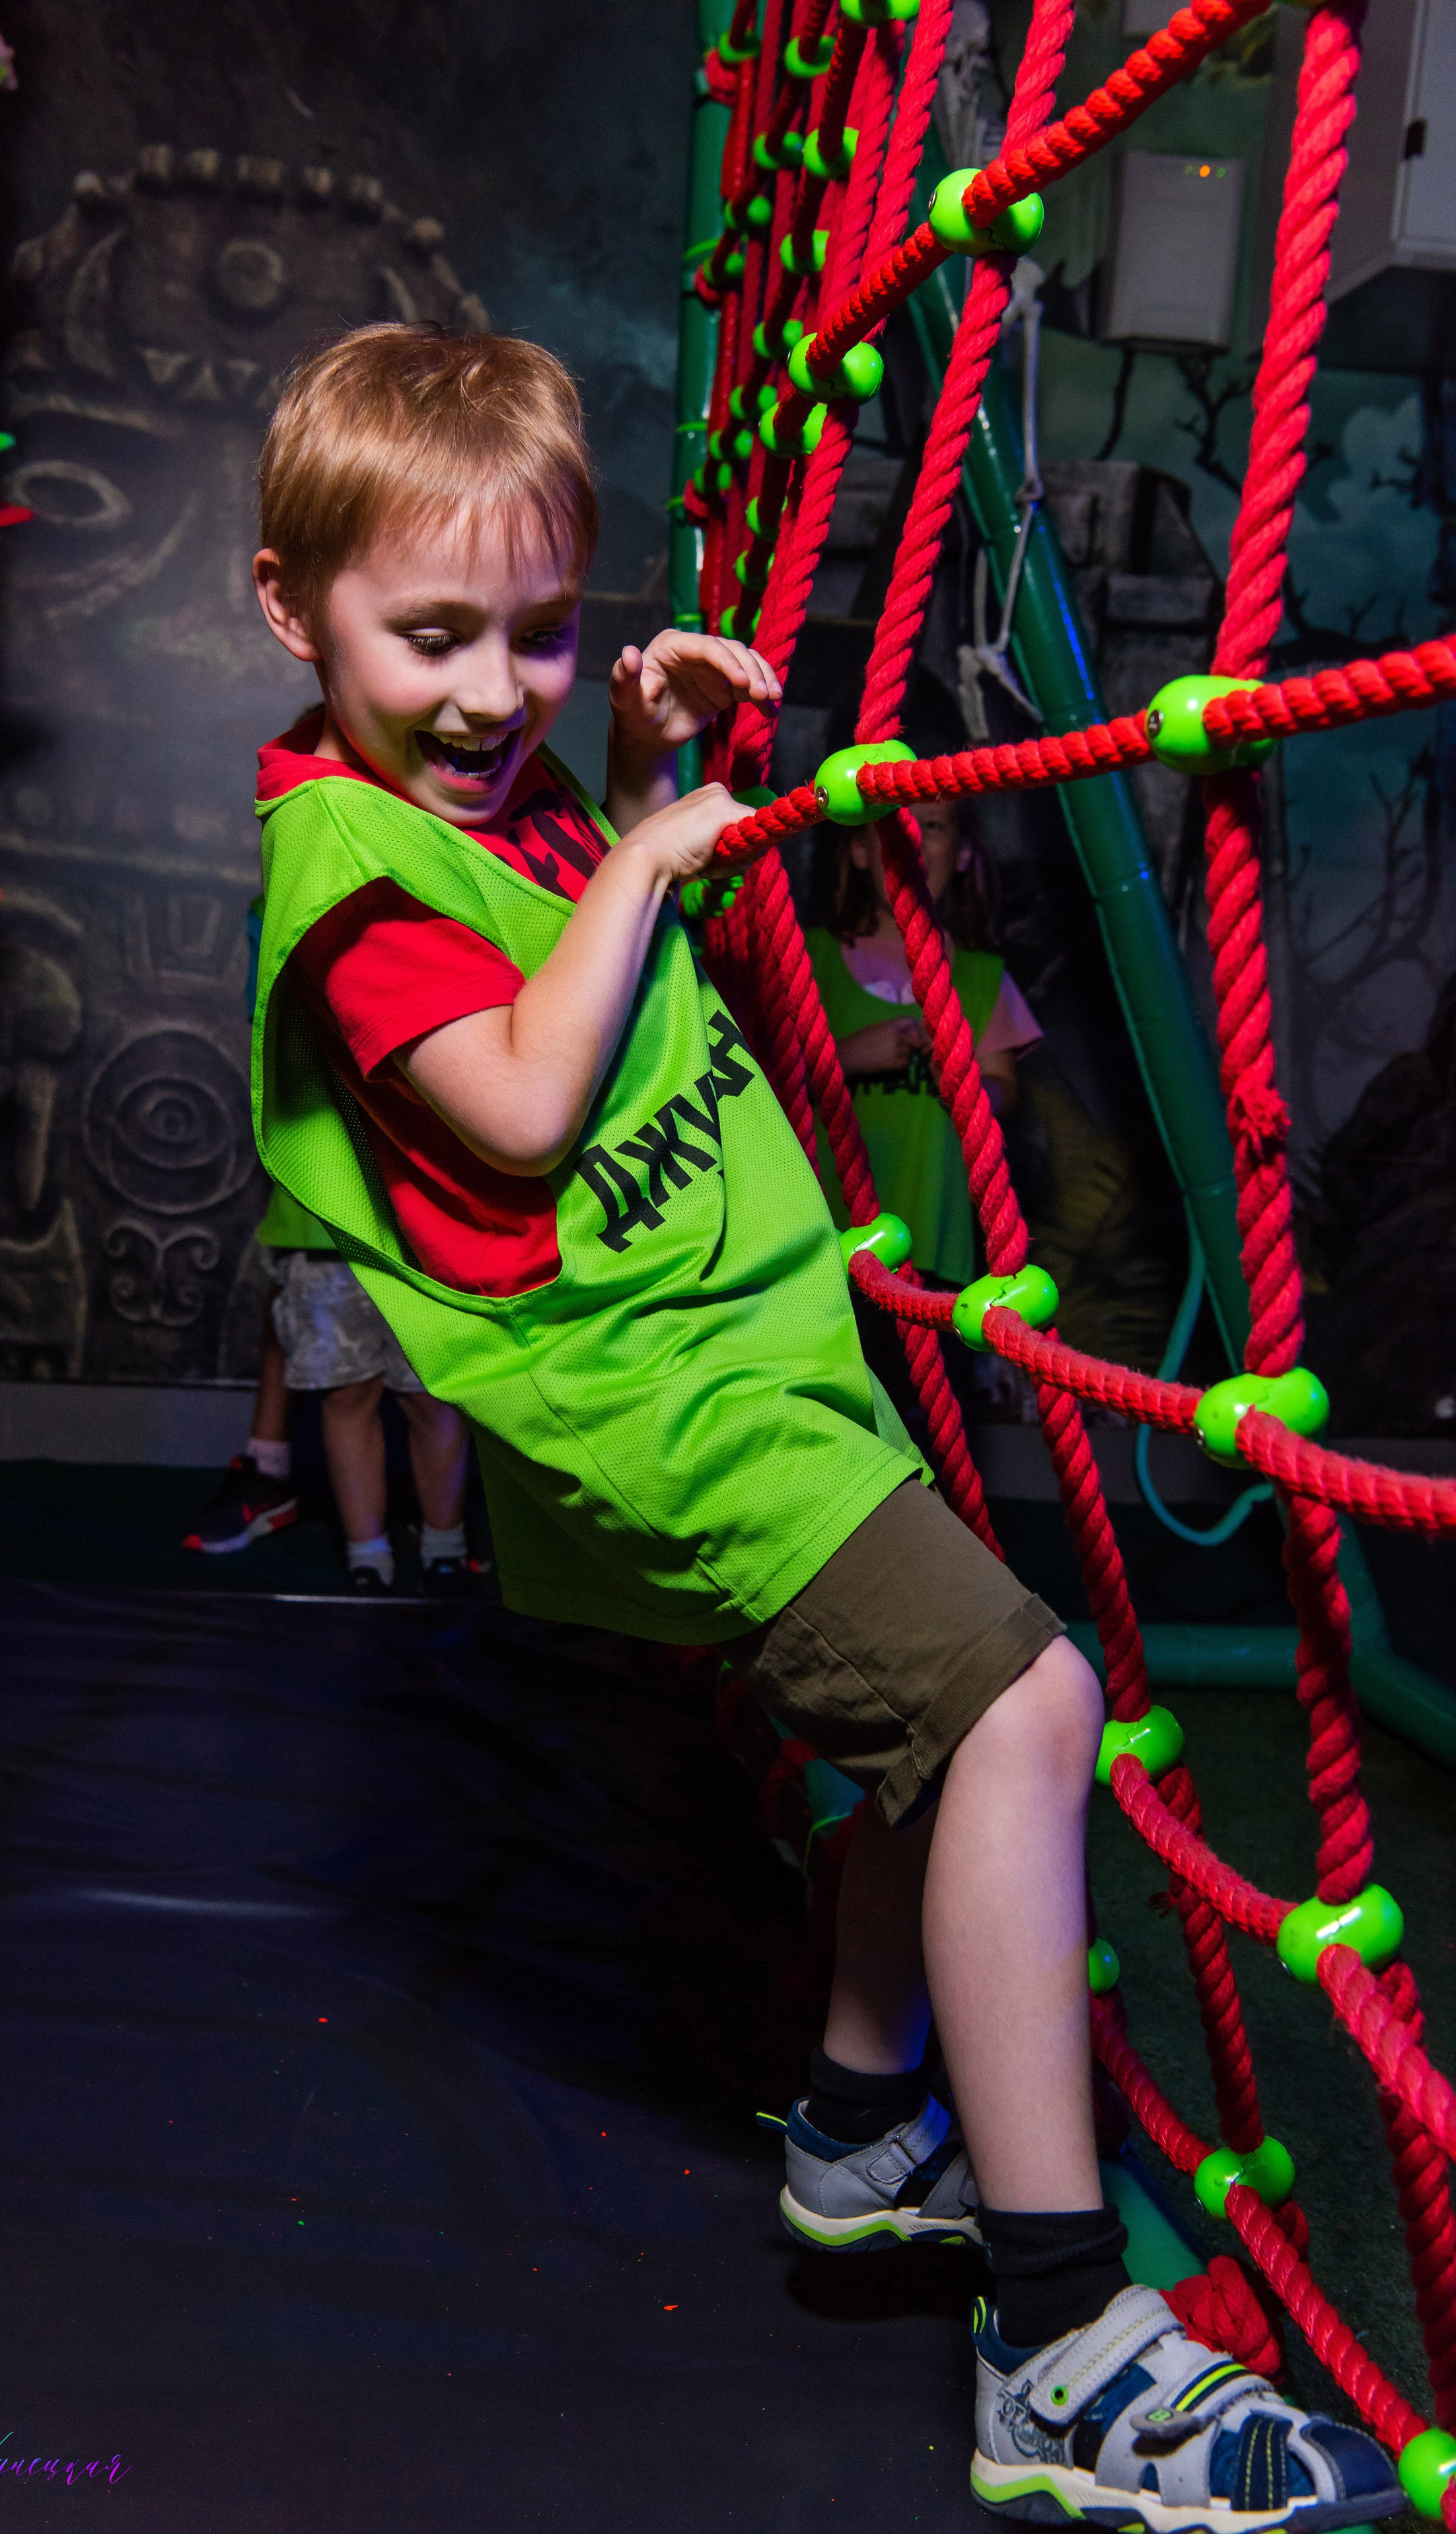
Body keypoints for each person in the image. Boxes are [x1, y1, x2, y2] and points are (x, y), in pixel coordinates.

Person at [242, 323, 1398, 2530]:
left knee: (940, 1742)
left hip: (754, 1360)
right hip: (659, 1414)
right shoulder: (355, 878)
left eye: (539, 633)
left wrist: (635, 768)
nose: (493, 694)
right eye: (432, 637)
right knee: (1031, 1700)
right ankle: (1060, 2336)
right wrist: (647, 858)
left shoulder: (483, 803)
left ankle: (867, 2121)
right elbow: (519, 1102)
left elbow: (556, 914)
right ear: (293, 612)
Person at [185, 912, 474, 1591]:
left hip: (425, 1217)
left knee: (433, 1396)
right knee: (347, 1392)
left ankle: (445, 1545)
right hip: (325, 1222)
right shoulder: (284, 921)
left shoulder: (432, 912)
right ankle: (367, 1554)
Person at [806, 796, 1041, 1286]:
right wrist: (846, 1056)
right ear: (860, 850)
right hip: (819, 1244)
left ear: (962, 854)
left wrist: (968, 1088)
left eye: (933, 825)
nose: (912, 838)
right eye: (895, 825)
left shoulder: (981, 976)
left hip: (935, 1252)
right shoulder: (808, 959)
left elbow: (1005, 1090)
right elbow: (759, 1082)